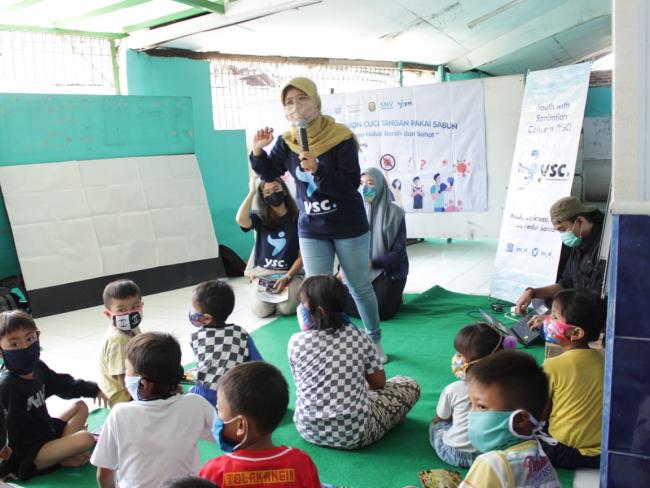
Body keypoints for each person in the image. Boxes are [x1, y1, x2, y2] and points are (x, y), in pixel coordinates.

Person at [249, 77, 385, 361]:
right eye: (288, 102)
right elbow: (269, 174)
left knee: (359, 286)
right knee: (316, 290)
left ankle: (373, 342)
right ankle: (325, 344)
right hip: (311, 228)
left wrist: (319, 168)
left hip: (348, 225)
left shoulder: (341, 136)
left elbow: (349, 184)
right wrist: (258, 151)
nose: (295, 106)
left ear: (316, 102)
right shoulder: (287, 141)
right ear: (284, 111)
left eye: (302, 99)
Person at [288, 275, 420, 450]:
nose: (301, 309)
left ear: (319, 312)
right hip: (355, 435)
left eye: (303, 304)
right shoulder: (359, 336)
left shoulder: (295, 342)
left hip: (307, 429)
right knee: (409, 384)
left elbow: (302, 382)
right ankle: (391, 419)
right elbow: (379, 383)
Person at [91, 332, 215, 487]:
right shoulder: (195, 404)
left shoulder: (120, 414)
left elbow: (104, 474)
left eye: (127, 370)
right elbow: (227, 436)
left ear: (144, 384)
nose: (124, 376)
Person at [0, 310, 105, 481]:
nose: (25, 347)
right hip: (29, 453)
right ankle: (64, 456)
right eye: (14, 344)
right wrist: (6, 467)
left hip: (45, 432)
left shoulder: (37, 367)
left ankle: (64, 455)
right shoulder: (6, 385)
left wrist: (94, 390)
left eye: (30, 339)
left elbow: (63, 384)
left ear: (38, 336)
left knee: (80, 406)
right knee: (86, 439)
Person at [199, 362, 322, 487]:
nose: (217, 417)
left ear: (241, 426)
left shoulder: (214, 472)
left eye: (219, 410)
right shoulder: (301, 462)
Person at [460, 350, 561, 488]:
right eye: (470, 404)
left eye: (481, 406)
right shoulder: (539, 455)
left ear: (520, 420)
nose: (471, 414)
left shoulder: (491, 464)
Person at [430, 323, 516, 467]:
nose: (457, 359)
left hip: (455, 454)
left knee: (436, 426)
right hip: (492, 455)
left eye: (461, 355)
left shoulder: (453, 389)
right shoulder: (511, 387)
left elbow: (441, 417)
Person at [539, 289, 605, 468]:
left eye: (554, 318)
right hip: (602, 453)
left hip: (566, 451)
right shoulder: (605, 360)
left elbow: (541, 415)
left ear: (576, 333)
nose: (547, 321)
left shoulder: (552, 365)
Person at [515, 196, 606, 318]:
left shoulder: (603, 249)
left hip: (588, 313)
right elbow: (566, 283)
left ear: (580, 221)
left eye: (563, 229)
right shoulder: (579, 242)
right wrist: (532, 292)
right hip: (576, 303)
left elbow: (594, 301)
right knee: (539, 301)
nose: (562, 235)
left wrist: (552, 319)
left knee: (546, 316)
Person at [344, 167, 408, 321]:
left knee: (381, 311)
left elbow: (398, 253)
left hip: (388, 272)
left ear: (380, 185)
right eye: (362, 184)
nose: (365, 188)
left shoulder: (396, 214)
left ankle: (394, 298)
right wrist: (343, 268)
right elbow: (346, 246)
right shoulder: (355, 212)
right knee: (332, 295)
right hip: (359, 270)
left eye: (370, 183)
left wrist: (373, 264)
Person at [188, 280, 263, 406]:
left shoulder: (195, 337)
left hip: (207, 396)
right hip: (235, 395)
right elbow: (259, 364)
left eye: (194, 311)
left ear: (207, 318)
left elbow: (207, 363)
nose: (192, 313)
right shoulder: (242, 334)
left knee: (192, 390)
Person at [236, 176, 303, 318]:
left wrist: (288, 276)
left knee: (286, 308)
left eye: (276, 189)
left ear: (284, 191)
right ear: (263, 197)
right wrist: (252, 191)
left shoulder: (298, 216)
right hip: (264, 274)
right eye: (266, 192)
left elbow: (302, 256)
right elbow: (240, 220)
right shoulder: (260, 217)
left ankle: (287, 295)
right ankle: (266, 298)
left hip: (290, 274)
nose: (272, 194)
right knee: (260, 311)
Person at [99, 278, 143, 407]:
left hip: (134, 379)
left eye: (135, 307)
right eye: (122, 310)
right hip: (122, 397)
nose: (130, 313)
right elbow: (123, 380)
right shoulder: (118, 340)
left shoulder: (132, 327)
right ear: (108, 314)